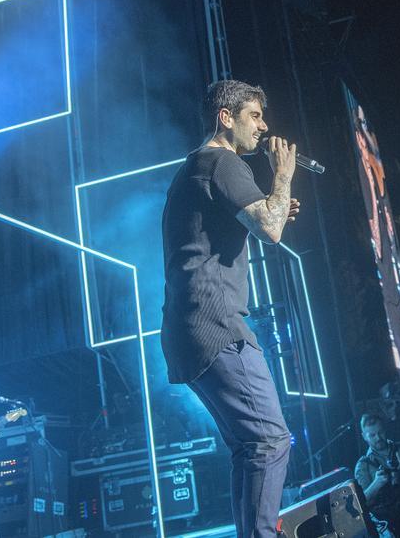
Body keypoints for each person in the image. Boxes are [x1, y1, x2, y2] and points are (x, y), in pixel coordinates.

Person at [160, 79, 301, 538]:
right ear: (227, 117)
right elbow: (271, 231)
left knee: (249, 446)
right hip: (217, 325)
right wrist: (282, 176)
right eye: (255, 116)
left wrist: (274, 206)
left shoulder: (196, 169)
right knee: (269, 440)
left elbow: (261, 219)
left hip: (190, 330)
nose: (264, 127)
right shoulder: (222, 161)